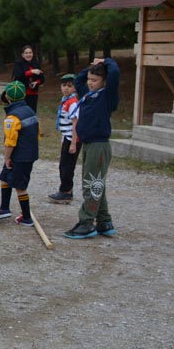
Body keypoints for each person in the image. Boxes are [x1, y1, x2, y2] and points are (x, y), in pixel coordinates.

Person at [64, 58, 120, 239]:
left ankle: (86, 222)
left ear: (104, 81)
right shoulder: (88, 94)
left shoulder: (107, 96)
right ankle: (104, 221)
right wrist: (91, 67)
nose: (90, 82)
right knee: (96, 182)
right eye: (90, 79)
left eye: (95, 80)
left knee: (92, 184)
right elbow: (78, 80)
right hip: (88, 144)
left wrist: (106, 61)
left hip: (99, 145)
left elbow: (115, 73)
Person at [0, 81, 39, 226]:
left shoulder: (12, 118)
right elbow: (37, 133)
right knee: (5, 178)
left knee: (20, 187)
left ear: (8, 97)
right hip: (29, 152)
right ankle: (4, 208)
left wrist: (7, 157)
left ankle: (27, 218)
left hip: (20, 156)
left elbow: (10, 141)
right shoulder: (30, 111)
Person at [49, 74, 80, 203]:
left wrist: (73, 143)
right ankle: (66, 189)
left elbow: (75, 123)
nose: (66, 88)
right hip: (67, 137)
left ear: (75, 88)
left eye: (69, 86)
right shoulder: (65, 100)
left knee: (67, 166)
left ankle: (66, 191)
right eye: (64, 85)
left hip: (72, 138)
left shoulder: (73, 102)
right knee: (63, 165)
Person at [12, 45, 45, 112]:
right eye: (26, 53)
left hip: (33, 94)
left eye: (30, 53)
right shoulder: (18, 63)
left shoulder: (36, 64)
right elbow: (19, 76)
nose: (28, 55)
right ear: (23, 55)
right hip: (21, 94)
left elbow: (42, 78)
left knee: (32, 113)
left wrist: (36, 82)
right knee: (21, 113)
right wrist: (31, 71)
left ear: (32, 54)